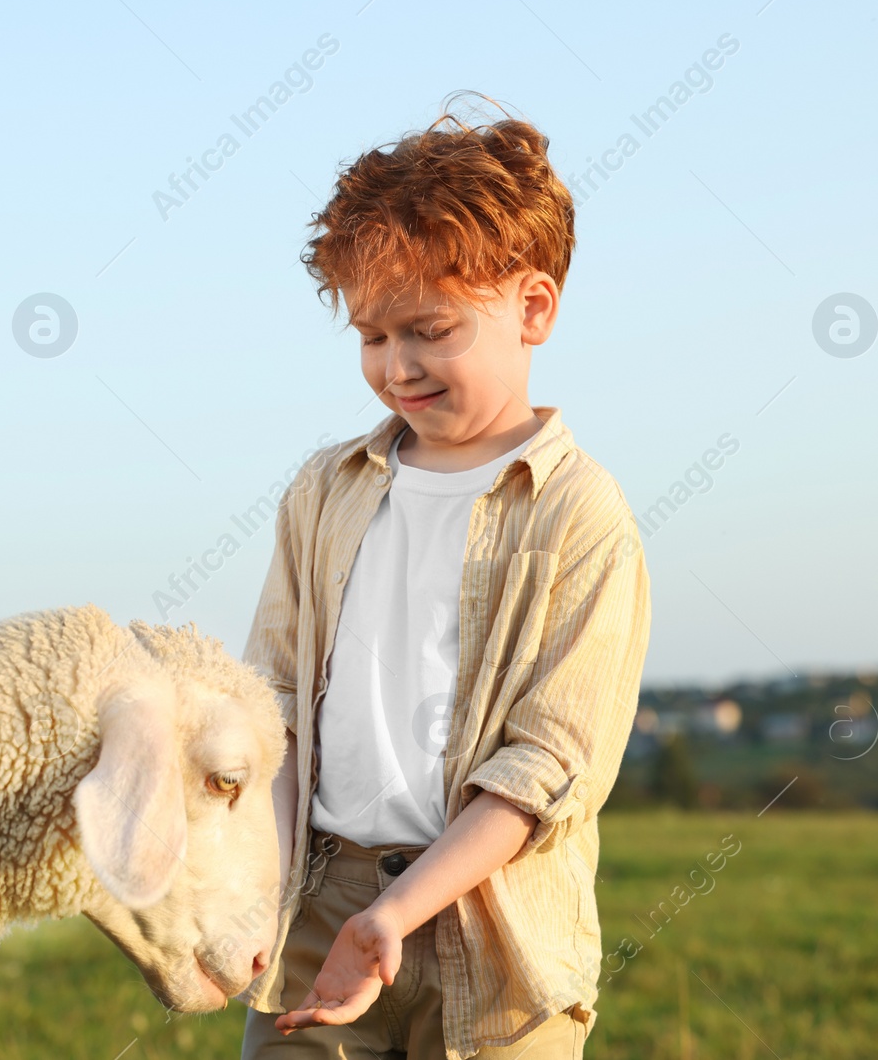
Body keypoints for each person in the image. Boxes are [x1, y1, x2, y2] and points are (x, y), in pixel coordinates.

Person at [236, 101, 652, 1060]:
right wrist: (261, 880)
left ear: (534, 308)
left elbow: (548, 766)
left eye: (430, 329)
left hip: (497, 934)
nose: (397, 366)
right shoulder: (323, 490)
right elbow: (277, 703)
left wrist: (399, 912)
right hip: (318, 908)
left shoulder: (579, 512)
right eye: (372, 336)